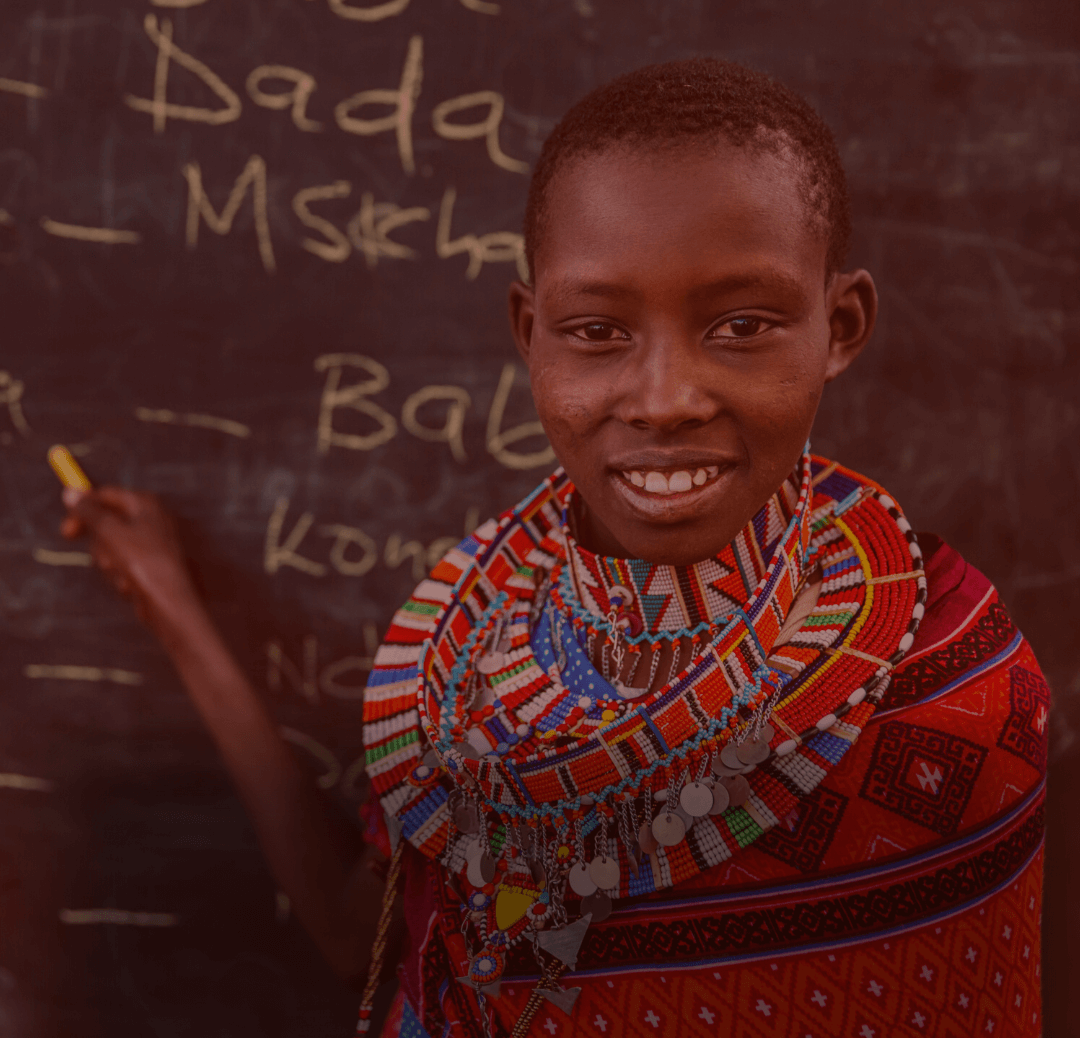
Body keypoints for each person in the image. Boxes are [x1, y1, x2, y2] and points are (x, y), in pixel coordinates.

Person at [62, 59, 1048, 1038]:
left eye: (742, 325)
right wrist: (176, 608)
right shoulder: (466, 675)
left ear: (840, 327)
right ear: (530, 334)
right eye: (597, 330)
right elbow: (355, 929)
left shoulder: (958, 696)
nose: (665, 397)